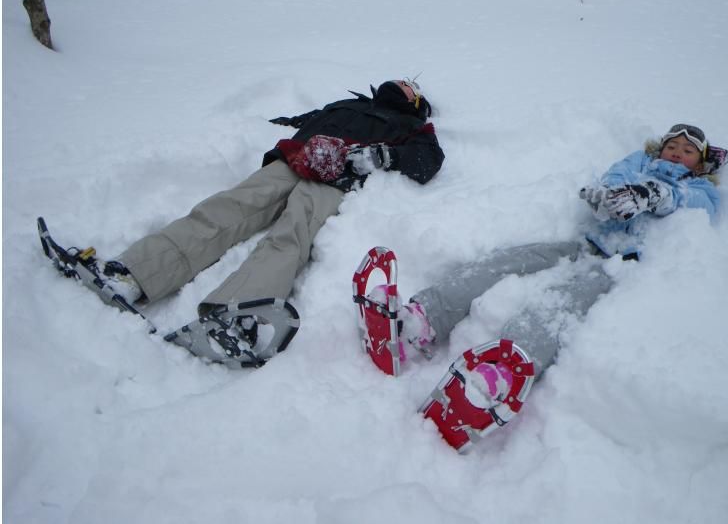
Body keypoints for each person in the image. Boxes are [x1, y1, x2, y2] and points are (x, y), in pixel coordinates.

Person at [355, 124, 727, 451]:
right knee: (509, 261)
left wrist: (650, 195)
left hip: (622, 266)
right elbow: (617, 175)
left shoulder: (700, 189)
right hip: (588, 244)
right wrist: (608, 195)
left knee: (559, 307)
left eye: (688, 150)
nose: (677, 153)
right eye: (672, 146)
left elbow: (691, 203)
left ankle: (503, 372)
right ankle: (423, 318)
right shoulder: (639, 162)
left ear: (701, 161)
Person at [54, 79, 445, 359]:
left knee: (294, 234)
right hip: (294, 159)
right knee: (226, 209)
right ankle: (133, 274)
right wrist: (276, 123)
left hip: (337, 175)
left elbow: (428, 160)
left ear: (416, 104)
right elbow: (304, 119)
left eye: (413, 87)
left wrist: (382, 157)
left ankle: (238, 312)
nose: (405, 84)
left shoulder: (412, 126)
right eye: (404, 81)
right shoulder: (346, 104)